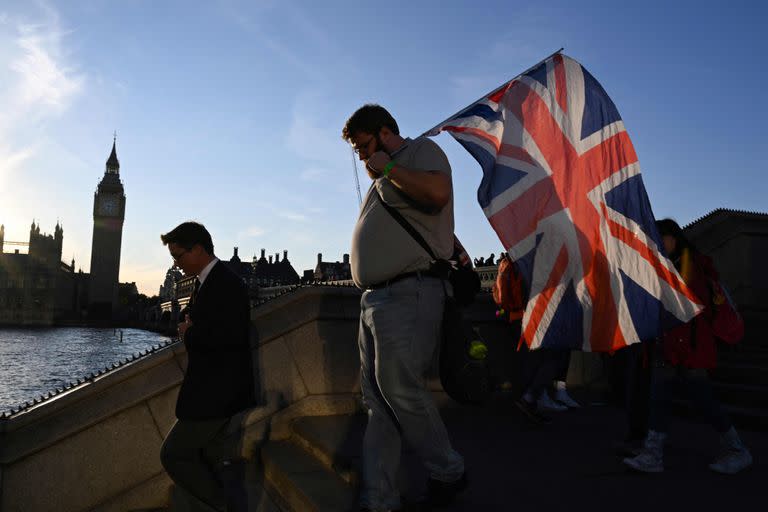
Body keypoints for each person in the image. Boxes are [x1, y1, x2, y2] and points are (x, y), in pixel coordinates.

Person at [342, 104, 466, 512]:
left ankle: (448, 469)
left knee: (400, 389)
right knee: (378, 401)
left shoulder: (420, 153)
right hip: (375, 299)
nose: (362, 158)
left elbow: (437, 194)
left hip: (408, 293)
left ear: (384, 133)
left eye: (364, 147)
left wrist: (389, 168)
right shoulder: (385, 176)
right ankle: (379, 498)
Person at [623, 218, 752, 474]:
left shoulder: (688, 264)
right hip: (674, 345)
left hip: (687, 347)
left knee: (701, 399)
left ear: (673, 237)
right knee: (661, 398)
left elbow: (687, 309)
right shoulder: (677, 264)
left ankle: (737, 449)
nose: (659, 244)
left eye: (662, 238)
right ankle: (653, 453)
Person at [159, 221, 256, 511]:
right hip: (210, 390)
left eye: (178, 256)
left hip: (217, 394)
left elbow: (229, 336)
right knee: (210, 459)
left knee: (173, 454)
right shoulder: (207, 281)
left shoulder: (227, 283)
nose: (176, 264)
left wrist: (190, 333)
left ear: (198, 249)